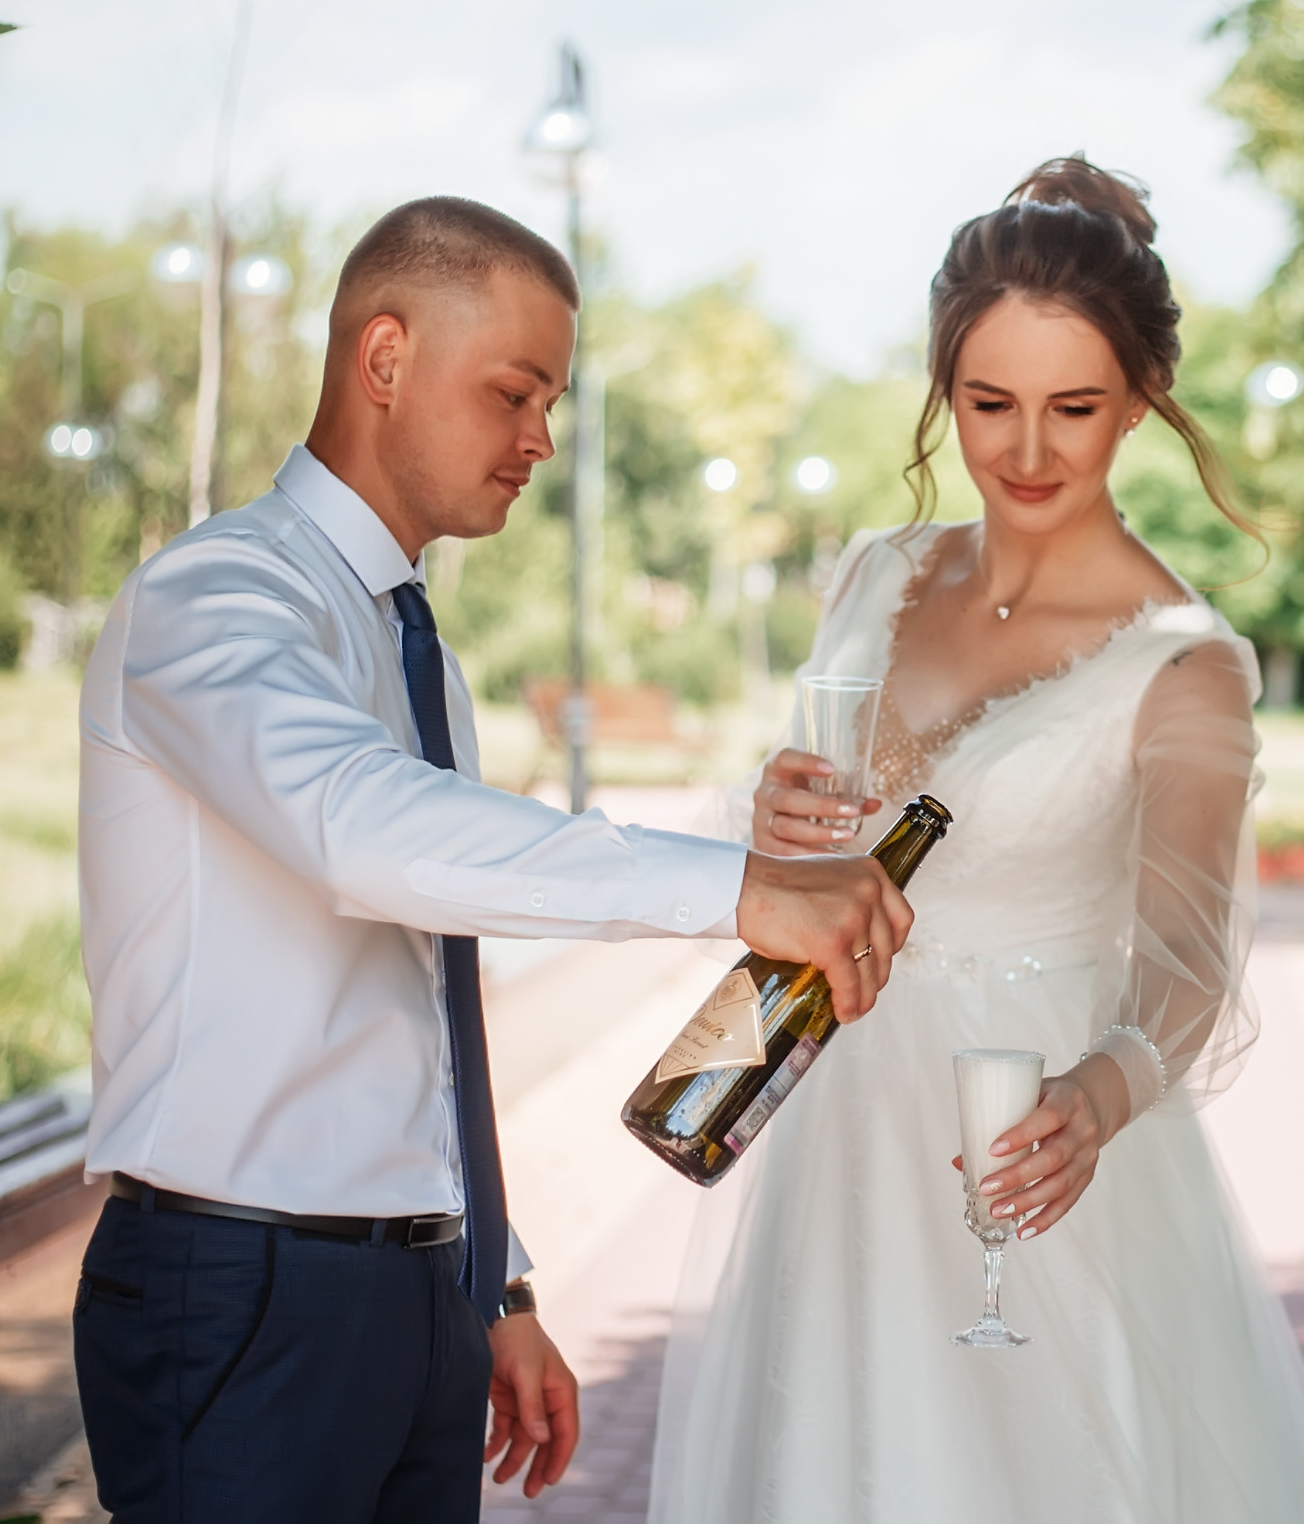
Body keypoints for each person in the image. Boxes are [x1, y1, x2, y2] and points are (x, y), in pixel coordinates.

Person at [72, 196, 915, 1524]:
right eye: (514, 393)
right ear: (385, 357)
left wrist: (495, 1284)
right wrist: (741, 890)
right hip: (240, 1291)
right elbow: (358, 830)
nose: (540, 440)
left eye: (551, 402)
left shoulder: (419, 650)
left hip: (418, 1294)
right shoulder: (214, 595)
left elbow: (418, 1013)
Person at [648, 159, 1304, 1522]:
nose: (1028, 452)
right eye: (988, 404)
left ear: (1142, 397)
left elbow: (1190, 958)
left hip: (1025, 1139)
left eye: (1074, 408)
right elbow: (809, 819)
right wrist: (773, 816)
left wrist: (1100, 1096)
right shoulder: (871, 571)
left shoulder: (1183, 662)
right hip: (837, 1123)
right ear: (942, 390)